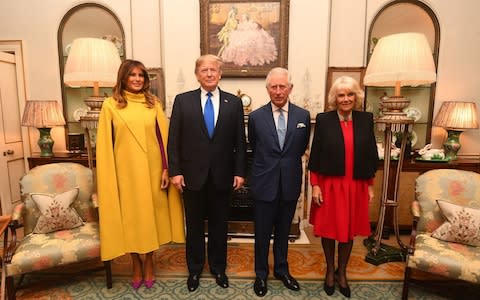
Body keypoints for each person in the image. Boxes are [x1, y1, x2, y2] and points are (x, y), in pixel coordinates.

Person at [96, 59, 185, 290]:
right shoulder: (110, 105)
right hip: (125, 173)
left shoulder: (152, 103)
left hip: (153, 170)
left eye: (141, 75)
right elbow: (106, 144)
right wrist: (110, 175)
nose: (137, 79)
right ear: (123, 78)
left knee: (150, 218)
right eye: (132, 75)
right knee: (132, 219)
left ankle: (149, 262)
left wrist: (167, 168)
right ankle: (135, 263)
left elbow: (163, 138)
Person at [168, 54, 246, 292]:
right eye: (205, 70)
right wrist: (175, 171)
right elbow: (174, 140)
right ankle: (194, 269)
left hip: (222, 176)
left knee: (219, 226)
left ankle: (218, 268)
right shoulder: (183, 101)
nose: (210, 74)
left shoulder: (233, 103)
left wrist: (240, 172)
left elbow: (240, 143)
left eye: (214, 70)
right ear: (197, 74)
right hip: (191, 176)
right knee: (193, 226)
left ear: (220, 74)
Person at [308, 76, 378, 298]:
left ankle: (343, 273)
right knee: (329, 230)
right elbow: (316, 155)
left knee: (348, 232)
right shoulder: (324, 120)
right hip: (330, 185)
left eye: (350, 94)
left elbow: (370, 154)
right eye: (341, 95)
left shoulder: (366, 119)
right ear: (334, 98)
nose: (346, 99)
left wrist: (370, 184)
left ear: (356, 96)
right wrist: (315, 186)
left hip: (356, 184)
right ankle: (330, 270)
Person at [248, 67, 311, 297]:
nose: (278, 91)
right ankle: (261, 274)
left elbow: (301, 148)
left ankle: (282, 270)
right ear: (267, 89)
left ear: (290, 88)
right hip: (264, 184)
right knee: (262, 234)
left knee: (284, 232)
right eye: (273, 87)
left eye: (282, 86)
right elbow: (254, 147)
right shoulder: (255, 117)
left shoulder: (303, 116)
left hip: (290, 184)